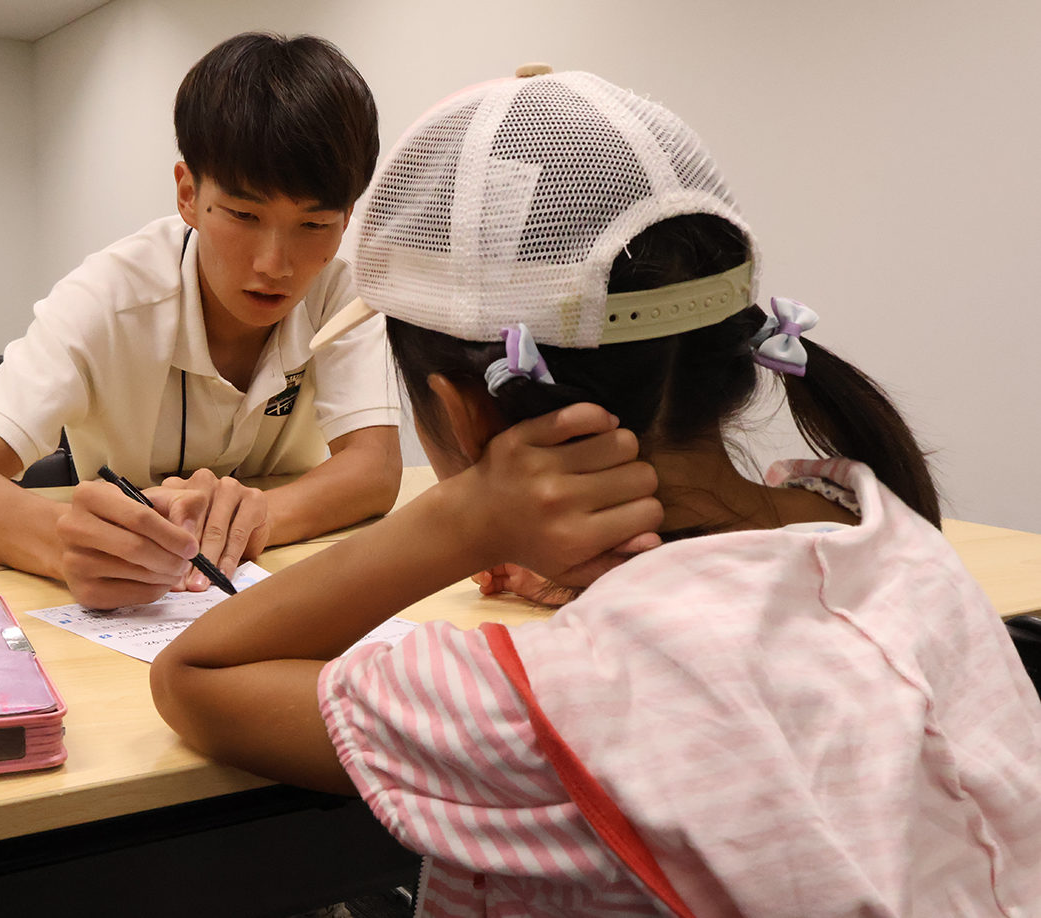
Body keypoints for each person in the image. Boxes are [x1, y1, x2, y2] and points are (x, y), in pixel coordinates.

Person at [148, 68, 1041, 916]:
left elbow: (197, 675)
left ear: (460, 412)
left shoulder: (538, 705)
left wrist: (460, 525)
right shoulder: (885, 530)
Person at [0, 33, 403, 610]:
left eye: (314, 226)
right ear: (189, 194)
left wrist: (257, 515)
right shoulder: (108, 296)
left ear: (347, 216)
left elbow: (374, 466)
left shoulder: (343, 288)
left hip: (270, 591)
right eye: (243, 214)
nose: (275, 265)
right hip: (127, 602)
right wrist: (62, 543)